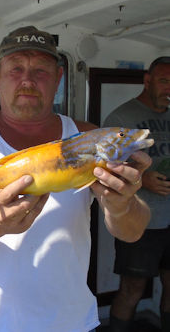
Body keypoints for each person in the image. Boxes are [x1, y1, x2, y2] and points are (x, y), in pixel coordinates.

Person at [0, 26, 151, 332]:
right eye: (16, 68)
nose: (28, 80)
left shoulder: (89, 136)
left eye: (41, 71)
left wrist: (122, 205)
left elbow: (132, 232)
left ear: (59, 79)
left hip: (71, 322)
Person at [103, 56, 170, 332]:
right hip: (140, 221)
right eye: (165, 81)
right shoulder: (120, 118)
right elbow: (102, 170)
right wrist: (142, 179)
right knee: (132, 288)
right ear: (147, 81)